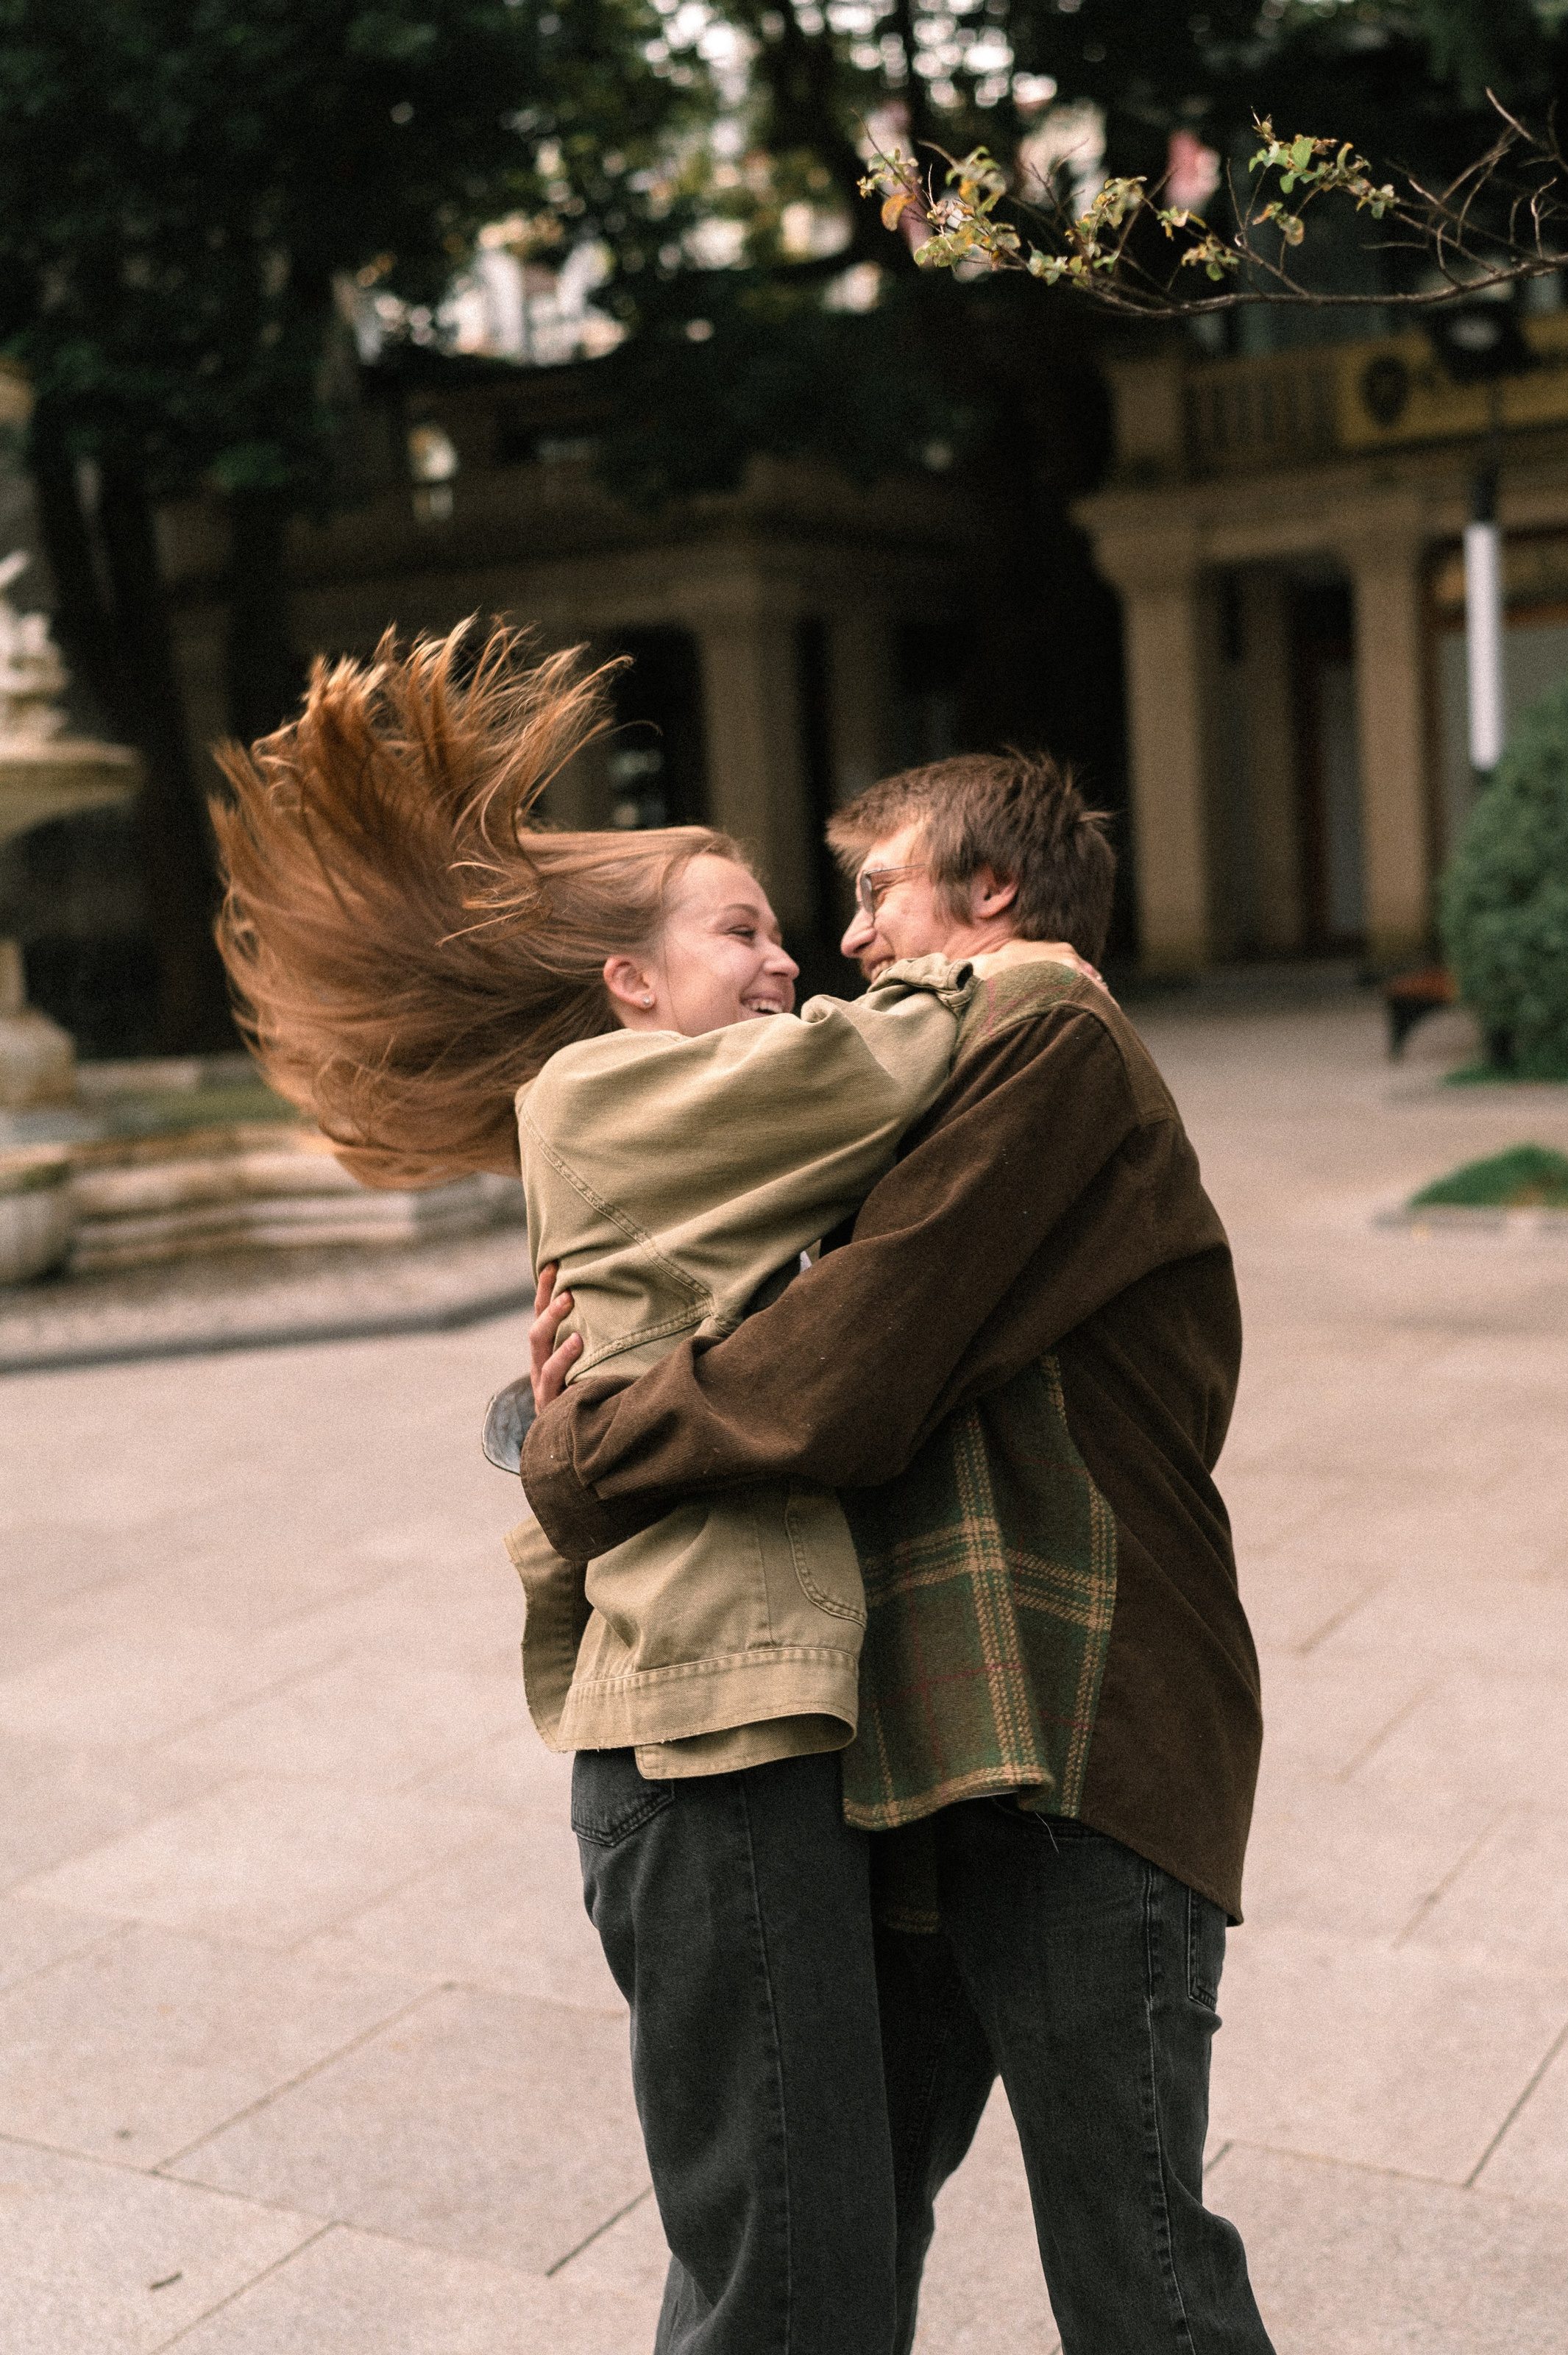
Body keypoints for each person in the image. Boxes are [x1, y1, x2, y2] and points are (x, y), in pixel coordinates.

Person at [213, 626, 1093, 2355]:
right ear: (629, 981)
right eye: (745, 929)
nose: (793, 962)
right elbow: (879, 1059)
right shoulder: (615, 1093)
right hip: (706, 1754)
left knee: (805, 2256)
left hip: (741, 1738)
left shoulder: (700, 1130)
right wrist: (1040, 966)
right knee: (792, 2285)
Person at [523, 751, 1274, 2354]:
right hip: (927, 1761)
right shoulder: (928, 1077)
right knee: (825, 2249)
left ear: (990, 899)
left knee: (1135, 2273)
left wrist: (577, 1453)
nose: (847, 938)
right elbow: (747, 1312)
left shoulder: (1047, 1032)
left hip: (1081, 1745)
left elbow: (838, 1372)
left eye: (876, 891)